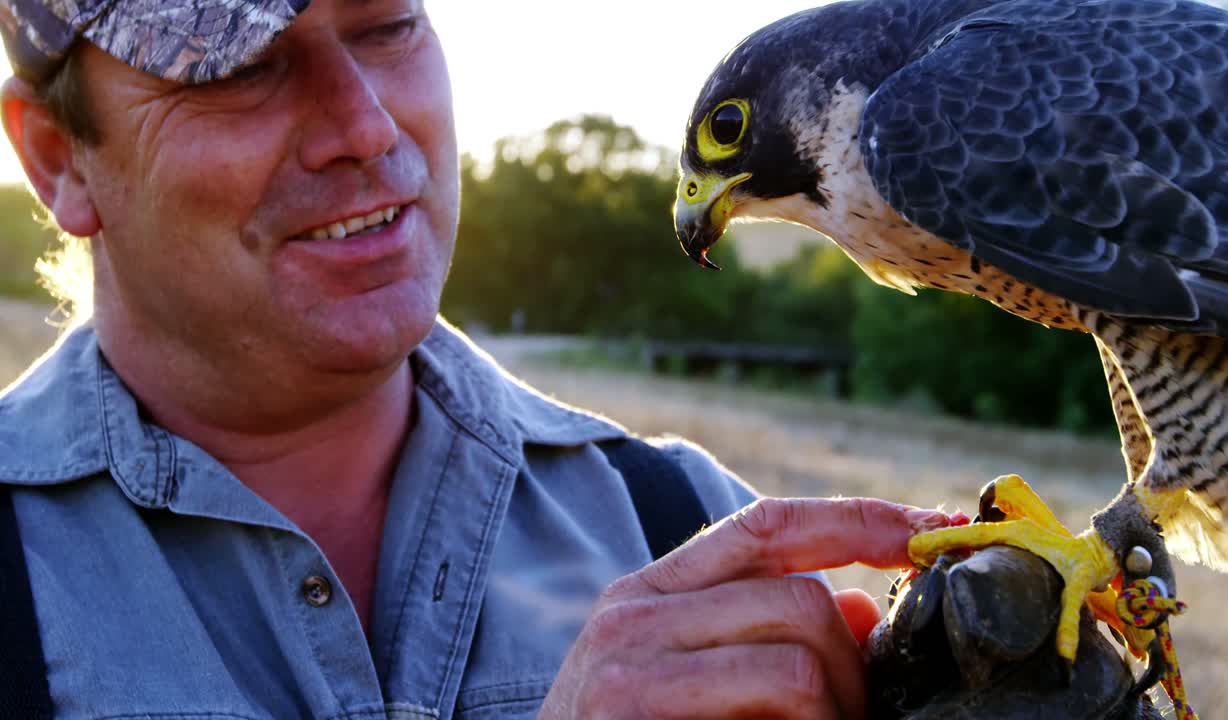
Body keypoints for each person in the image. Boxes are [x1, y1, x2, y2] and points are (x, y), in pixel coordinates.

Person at [0, 1, 953, 717]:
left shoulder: (684, 527)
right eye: (240, 67)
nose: (366, 126)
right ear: (57, 158)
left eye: (385, 27)